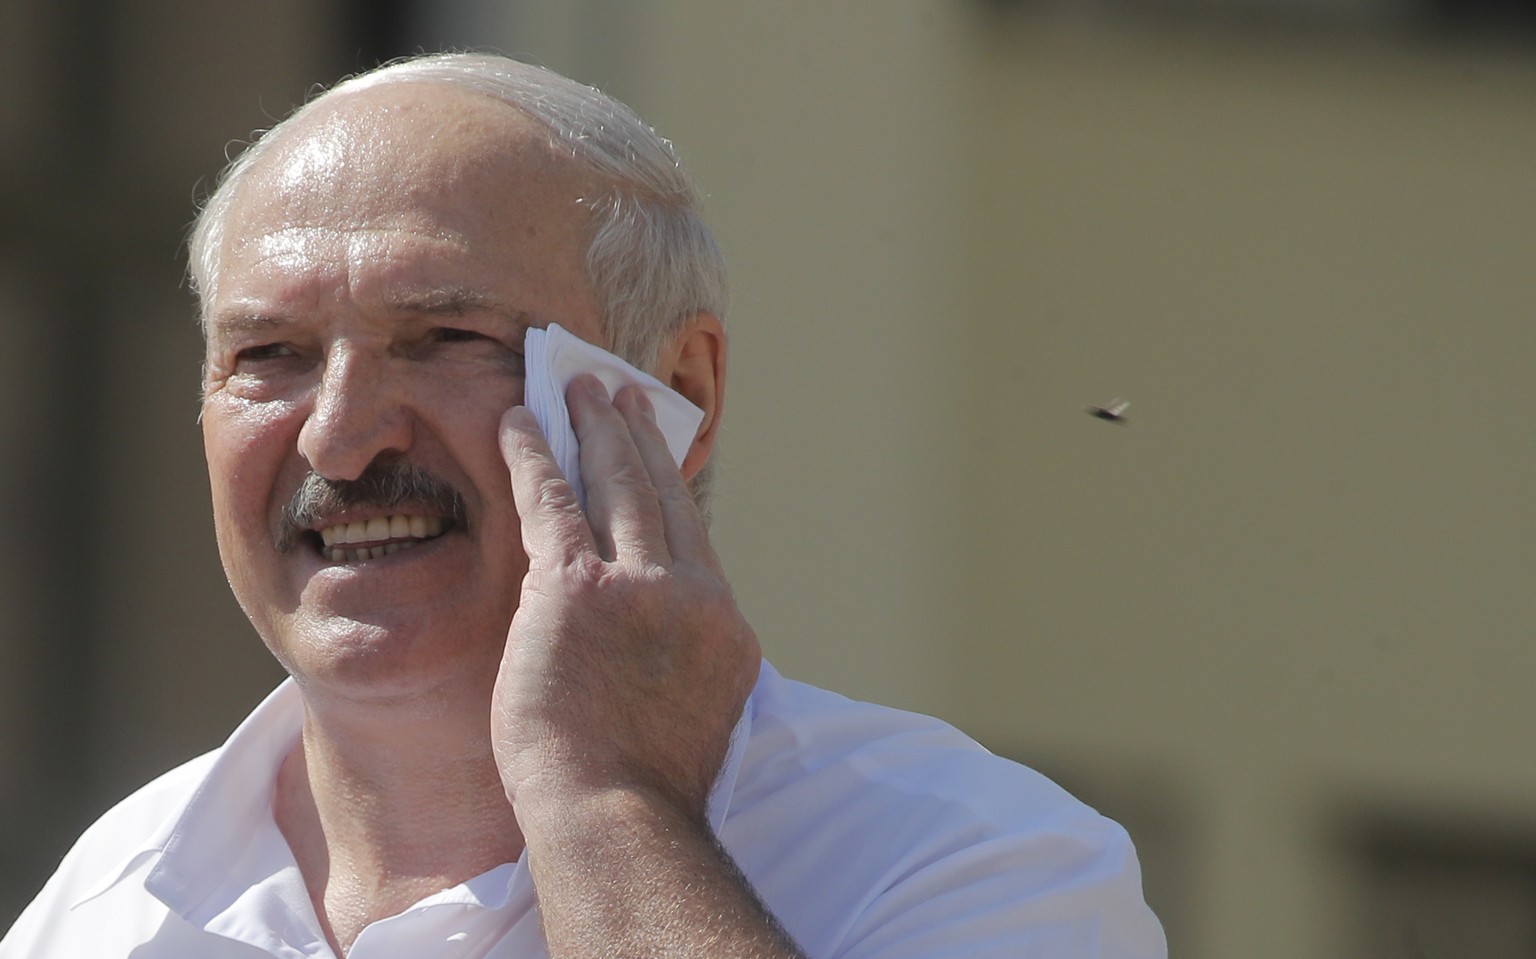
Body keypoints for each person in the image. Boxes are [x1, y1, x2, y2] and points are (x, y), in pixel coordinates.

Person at [1, 53, 1166, 958]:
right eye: (268, 353)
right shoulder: (113, 899)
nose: (342, 436)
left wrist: (611, 807)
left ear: (681, 394)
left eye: (446, 337)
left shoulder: (972, 863)